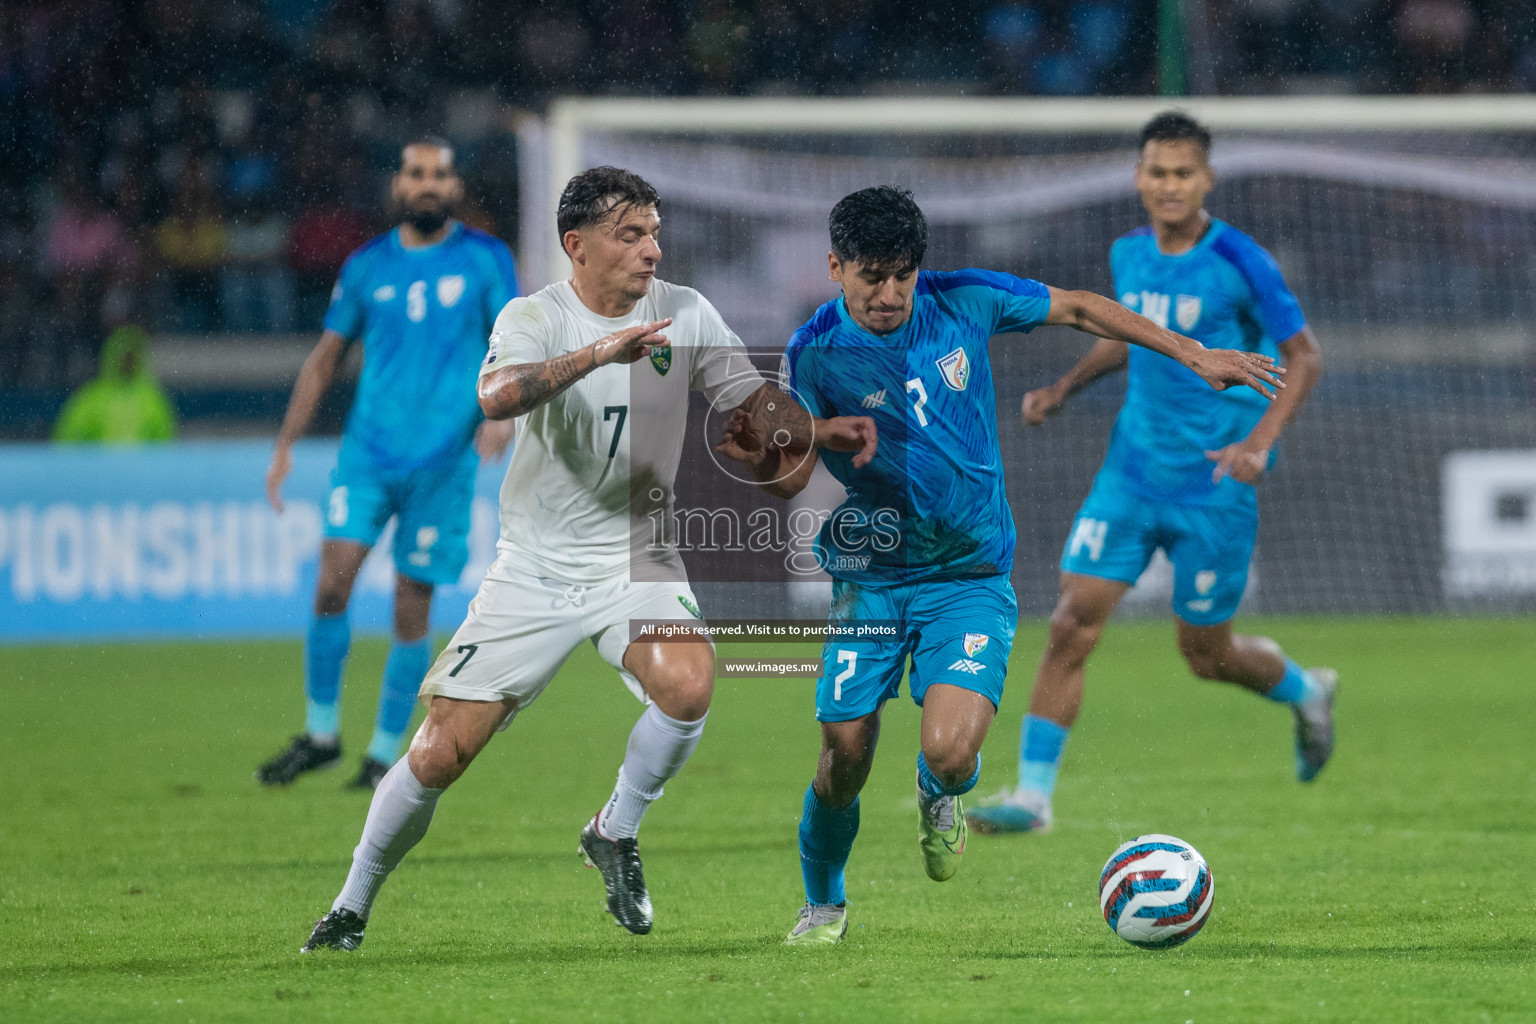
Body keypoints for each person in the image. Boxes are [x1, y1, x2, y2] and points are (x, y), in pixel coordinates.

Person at [299, 166, 878, 952]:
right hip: (535, 568)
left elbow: (751, 406)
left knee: (689, 686)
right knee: (441, 752)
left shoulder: (686, 313)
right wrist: (602, 352)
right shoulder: (533, 315)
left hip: (638, 559)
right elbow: (497, 396)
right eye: (629, 235)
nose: (650, 250)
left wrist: (797, 438)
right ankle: (350, 905)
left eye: (654, 232)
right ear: (577, 245)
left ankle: (615, 829)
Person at [719, 184, 1282, 946]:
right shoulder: (812, 351)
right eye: (871, 276)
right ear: (835, 267)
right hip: (874, 576)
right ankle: (824, 904)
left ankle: (938, 792)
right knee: (844, 752)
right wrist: (800, 444)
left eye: (902, 276)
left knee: (951, 755)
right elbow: (784, 476)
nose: (889, 294)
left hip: (969, 576)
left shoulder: (967, 301)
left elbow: (1082, 307)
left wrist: (1192, 353)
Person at [966, 111, 1332, 838]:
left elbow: (1306, 356)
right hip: (1131, 475)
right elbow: (1134, 337)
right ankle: (1033, 798)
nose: (1169, 186)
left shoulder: (1242, 261)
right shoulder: (1128, 253)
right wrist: (1067, 388)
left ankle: (1304, 688)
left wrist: (1259, 443)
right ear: (1138, 178)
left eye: (1183, 173)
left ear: (1207, 180)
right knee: (1072, 621)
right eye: (1157, 172)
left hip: (1215, 486)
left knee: (1207, 655)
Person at [257, 138, 519, 792]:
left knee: (412, 605)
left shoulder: (487, 259)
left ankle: (380, 754)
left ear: (454, 187)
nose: (427, 184)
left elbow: (512, 341)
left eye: (438, 174)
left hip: (443, 461)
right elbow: (326, 357)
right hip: (367, 455)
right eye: (415, 174)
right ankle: (320, 735)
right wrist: (287, 441)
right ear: (398, 185)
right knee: (330, 587)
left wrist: (501, 412)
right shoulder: (367, 266)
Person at [52, 324, 176, 443]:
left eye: (132, 357)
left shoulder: (154, 400)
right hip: (99, 465)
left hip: (141, 465)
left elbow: (164, 445)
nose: (127, 362)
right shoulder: (91, 398)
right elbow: (68, 439)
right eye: (125, 356)